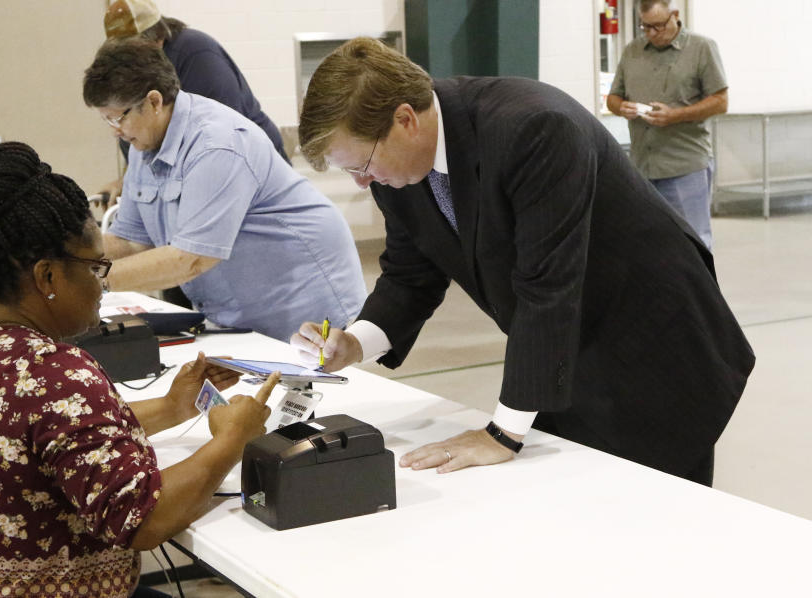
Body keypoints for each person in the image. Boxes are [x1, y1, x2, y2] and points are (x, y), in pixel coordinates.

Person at [290, 37, 755, 486]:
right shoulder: (400, 172)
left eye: (362, 164)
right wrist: (353, 343)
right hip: (565, 348)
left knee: (656, 516)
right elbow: (411, 277)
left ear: (405, 119)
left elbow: (547, 285)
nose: (361, 182)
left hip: (656, 341)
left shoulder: (533, 127)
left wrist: (502, 433)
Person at [0, 142, 278, 598]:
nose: (103, 286)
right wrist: (232, 439)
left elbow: (40, 440)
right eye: (97, 267)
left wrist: (172, 406)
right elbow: (145, 519)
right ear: (48, 277)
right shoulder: (54, 373)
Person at [82, 38, 366, 342]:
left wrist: (88, 282)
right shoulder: (143, 143)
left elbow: (191, 258)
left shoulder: (215, 144)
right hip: (238, 311)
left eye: (117, 117)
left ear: (154, 102)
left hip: (302, 300)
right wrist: (66, 254)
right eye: (106, 120)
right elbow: (132, 239)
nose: (115, 130)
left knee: (314, 387)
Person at [97, 0, 288, 203]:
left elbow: (225, 137)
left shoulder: (197, 54)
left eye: (132, 51)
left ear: (157, 39)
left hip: (251, 170)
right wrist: (128, 180)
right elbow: (137, 136)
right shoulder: (132, 68)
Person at [607, 0, 728, 249]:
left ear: (675, 16)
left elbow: (720, 102)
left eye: (658, 26)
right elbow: (613, 98)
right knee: (648, 244)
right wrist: (622, 108)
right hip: (642, 168)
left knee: (693, 243)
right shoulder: (632, 51)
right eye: (645, 26)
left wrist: (675, 116)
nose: (651, 33)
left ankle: (697, 289)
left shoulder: (701, 48)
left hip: (685, 166)